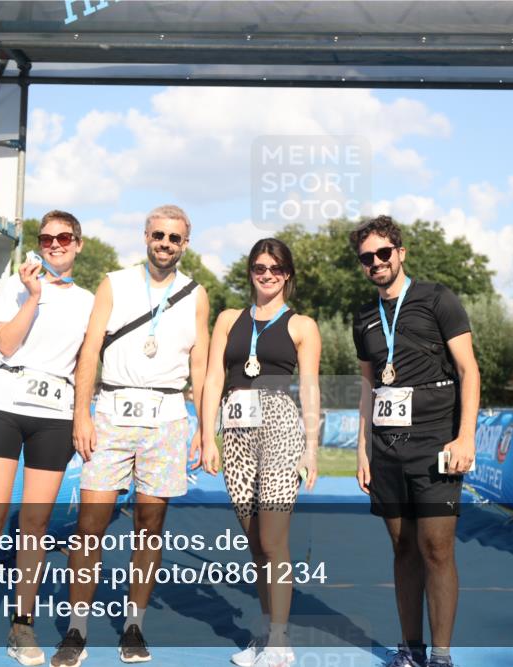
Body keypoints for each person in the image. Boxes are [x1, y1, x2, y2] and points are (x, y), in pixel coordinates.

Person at [53, 205, 210, 666]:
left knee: (150, 526)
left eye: (175, 238)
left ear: (186, 243)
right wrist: (81, 414)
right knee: (89, 527)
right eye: (158, 235)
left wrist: (204, 428)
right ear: (145, 236)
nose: (165, 243)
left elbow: (199, 365)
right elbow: (89, 353)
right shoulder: (115, 283)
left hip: (167, 418)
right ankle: (77, 629)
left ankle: (134, 624)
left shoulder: (195, 294)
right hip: (113, 413)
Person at [0, 210, 95, 667]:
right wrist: (33, 296)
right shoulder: (17, 283)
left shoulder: (91, 301)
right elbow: (7, 345)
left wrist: (83, 416)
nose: (54, 244)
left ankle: (22, 626)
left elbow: (89, 365)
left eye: (64, 238)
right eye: (47, 237)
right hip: (4, 408)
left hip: (54, 415)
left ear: (78, 244)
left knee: (35, 528)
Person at [350, 216, 480, 667]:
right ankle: (410, 648)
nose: (376, 262)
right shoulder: (364, 316)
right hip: (386, 449)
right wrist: (363, 448)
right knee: (402, 548)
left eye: (383, 253)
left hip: (436, 444)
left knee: (436, 548)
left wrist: (466, 437)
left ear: (400, 253)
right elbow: (369, 387)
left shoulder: (437, 298)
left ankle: (441, 655)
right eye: (367, 257)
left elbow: (469, 371)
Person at [200, 238, 320, 667]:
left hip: (280, 426)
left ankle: (280, 640)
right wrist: (206, 434)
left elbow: (309, 388)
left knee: (273, 538)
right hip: (235, 430)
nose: (266, 274)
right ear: (250, 271)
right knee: (254, 542)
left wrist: (311, 448)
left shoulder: (301, 325)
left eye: (275, 268)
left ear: (287, 274)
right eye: (258, 267)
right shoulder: (228, 319)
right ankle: (268, 633)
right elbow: (214, 377)